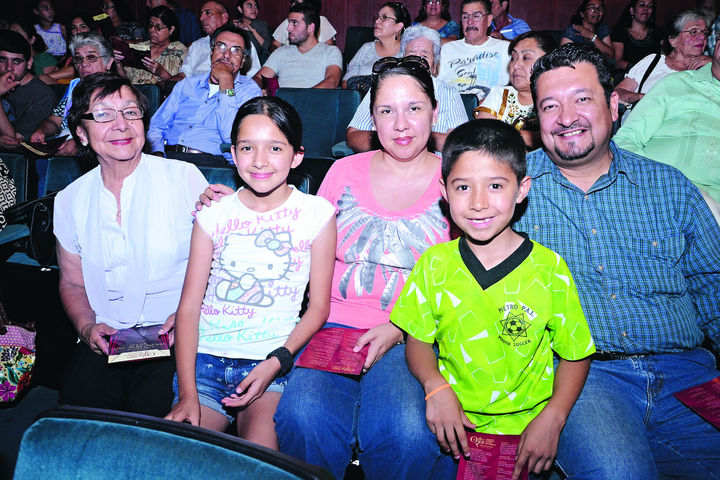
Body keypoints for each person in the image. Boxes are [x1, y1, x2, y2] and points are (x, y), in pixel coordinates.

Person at [518, 42, 720, 478]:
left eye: (582, 99)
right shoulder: (511, 192)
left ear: (613, 105)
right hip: (584, 381)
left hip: (687, 372)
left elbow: (713, 284)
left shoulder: (670, 186)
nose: (566, 117)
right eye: (550, 106)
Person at [272, 56, 454, 480]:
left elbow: (465, 276)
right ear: (372, 118)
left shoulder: (456, 178)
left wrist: (401, 328)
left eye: (414, 108)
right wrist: (229, 202)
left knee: (405, 433)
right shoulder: (343, 171)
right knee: (303, 417)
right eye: (386, 111)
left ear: (434, 111)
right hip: (334, 326)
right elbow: (296, 236)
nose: (401, 124)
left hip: (415, 335)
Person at [391, 119, 594, 479]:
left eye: (496, 186)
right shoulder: (434, 263)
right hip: (450, 425)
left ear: (521, 189)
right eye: (463, 187)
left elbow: (576, 354)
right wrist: (435, 387)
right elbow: (417, 340)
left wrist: (553, 418)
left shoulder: (549, 269)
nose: (478, 203)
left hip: (528, 437)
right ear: (444, 191)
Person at [165, 96, 336, 449]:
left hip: (271, 362)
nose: (259, 160)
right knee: (181, 456)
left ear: (296, 155)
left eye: (275, 148)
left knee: (260, 458)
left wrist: (277, 362)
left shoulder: (317, 214)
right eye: (247, 147)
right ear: (233, 153)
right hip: (204, 363)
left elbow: (319, 307)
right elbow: (189, 307)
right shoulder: (214, 212)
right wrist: (187, 394)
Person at [55, 73, 209, 417]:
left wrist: (187, 315)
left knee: (153, 421)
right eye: (103, 114)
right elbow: (72, 282)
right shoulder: (69, 199)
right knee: (77, 421)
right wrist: (86, 327)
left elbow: (220, 266)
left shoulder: (184, 179)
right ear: (81, 133)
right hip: (106, 338)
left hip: (178, 336)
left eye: (130, 112)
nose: (121, 124)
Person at [614, 36, 720, 222]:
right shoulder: (676, 83)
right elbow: (626, 139)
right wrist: (655, 182)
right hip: (657, 190)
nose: (700, 37)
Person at [147, 24, 262, 166]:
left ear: (243, 61)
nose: (226, 55)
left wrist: (226, 81)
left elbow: (231, 138)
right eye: (221, 46)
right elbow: (156, 126)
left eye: (235, 50)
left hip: (209, 163)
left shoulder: (249, 91)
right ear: (211, 52)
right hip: (168, 158)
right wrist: (157, 154)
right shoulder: (187, 84)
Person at [346, 25, 467, 153]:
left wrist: (419, 137)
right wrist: (387, 139)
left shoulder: (449, 94)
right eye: (411, 55)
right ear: (402, 59)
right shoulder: (381, 88)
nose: (417, 62)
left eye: (424, 56)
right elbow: (353, 136)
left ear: (434, 66)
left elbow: (460, 144)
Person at [614, 10, 711, 120]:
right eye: (693, 32)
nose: (702, 37)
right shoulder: (653, 61)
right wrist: (644, 98)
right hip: (641, 121)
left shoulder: (708, 68)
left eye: (705, 33)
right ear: (673, 40)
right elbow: (617, 93)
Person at [31, 33, 116, 156]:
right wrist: (42, 130)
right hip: (63, 144)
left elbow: (113, 129)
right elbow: (56, 120)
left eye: (91, 57)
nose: (84, 64)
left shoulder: (116, 91)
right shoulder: (75, 86)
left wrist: (80, 143)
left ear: (108, 62)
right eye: (78, 59)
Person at [474, 31, 556, 149]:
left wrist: (503, 134)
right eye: (513, 58)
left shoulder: (558, 99)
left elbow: (554, 139)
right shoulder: (500, 94)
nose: (516, 65)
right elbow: (482, 133)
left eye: (526, 58)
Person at [254, 3, 342, 89]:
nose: (288, 28)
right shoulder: (281, 51)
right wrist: (253, 89)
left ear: (310, 28)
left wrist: (300, 96)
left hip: (314, 98)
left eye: (295, 23)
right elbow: (259, 78)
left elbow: (332, 81)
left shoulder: (330, 51)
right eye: (289, 23)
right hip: (281, 99)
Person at [437, 0, 510, 99]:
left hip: (491, 106)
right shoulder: (448, 49)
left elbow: (510, 90)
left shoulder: (504, 48)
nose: (470, 22)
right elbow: (438, 87)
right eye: (465, 17)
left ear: (488, 20)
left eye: (476, 16)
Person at [174, 1, 261, 81]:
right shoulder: (196, 46)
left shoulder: (242, 44)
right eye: (201, 14)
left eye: (208, 13)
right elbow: (184, 75)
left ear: (224, 17)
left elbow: (255, 79)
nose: (201, 18)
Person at [0, 30, 55, 149]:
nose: (9, 68)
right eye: (3, 59)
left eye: (16, 61)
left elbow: (12, 142)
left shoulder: (41, 96)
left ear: (29, 63)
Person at [342, 2, 410, 91]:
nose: (377, 21)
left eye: (384, 18)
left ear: (398, 26)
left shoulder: (407, 51)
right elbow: (345, 83)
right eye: (377, 17)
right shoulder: (367, 49)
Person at [115, 6, 187, 85]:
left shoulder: (180, 51)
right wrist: (118, 63)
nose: (152, 30)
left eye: (158, 27)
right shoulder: (141, 47)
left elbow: (184, 86)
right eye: (150, 25)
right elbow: (125, 80)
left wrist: (162, 73)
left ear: (171, 30)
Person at [611, 0, 664, 73]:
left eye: (650, 6)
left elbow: (664, 59)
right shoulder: (619, 32)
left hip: (654, 75)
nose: (646, 8)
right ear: (632, 10)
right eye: (642, 5)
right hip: (628, 75)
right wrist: (639, 70)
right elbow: (617, 62)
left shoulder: (659, 32)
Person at [271, 0, 336, 48]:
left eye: (295, 23)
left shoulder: (322, 21)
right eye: (294, 3)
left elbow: (329, 48)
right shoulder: (288, 21)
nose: (289, 28)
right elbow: (274, 45)